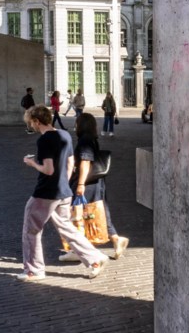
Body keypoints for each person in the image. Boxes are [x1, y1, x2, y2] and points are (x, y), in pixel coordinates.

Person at [18, 105, 109, 282]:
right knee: (66, 227)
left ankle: (34, 270)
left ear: (37, 121)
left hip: (46, 193)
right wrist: (64, 184)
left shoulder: (44, 140)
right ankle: (94, 258)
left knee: (31, 229)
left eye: (31, 123)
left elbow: (48, 169)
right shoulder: (65, 135)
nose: (32, 126)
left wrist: (31, 163)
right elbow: (70, 164)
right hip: (64, 192)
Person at [60, 112, 129, 262]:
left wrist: (80, 184)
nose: (75, 126)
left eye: (77, 123)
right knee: (99, 212)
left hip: (87, 183)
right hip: (96, 183)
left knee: (79, 214)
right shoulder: (91, 139)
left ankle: (77, 249)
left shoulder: (85, 141)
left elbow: (85, 162)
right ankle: (116, 239)